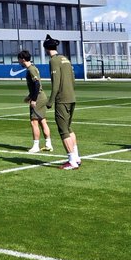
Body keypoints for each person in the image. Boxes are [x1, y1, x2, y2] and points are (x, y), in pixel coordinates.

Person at [46, 34, 80, 169]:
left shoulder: (54, 61)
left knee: (63, 130)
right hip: (71, 97)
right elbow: (73, 79)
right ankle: (76, 157)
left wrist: (50, 101)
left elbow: (56, 83)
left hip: (62, 99)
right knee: (69, 128)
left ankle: (71, 160)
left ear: (46, 49)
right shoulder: (65, 59)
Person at [17, 49, 52, 153]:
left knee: (34, 122)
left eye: (19, 60)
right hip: (41, 96)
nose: (19, 62)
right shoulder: (33, 68)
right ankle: (48, 144)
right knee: (42, 121)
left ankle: (36, 146)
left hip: (39, 98)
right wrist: (29, 96)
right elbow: (36, 86)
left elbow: (36, 84)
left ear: (23, 59)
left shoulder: (31, 69)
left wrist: (34, 99)